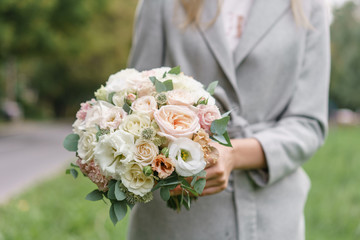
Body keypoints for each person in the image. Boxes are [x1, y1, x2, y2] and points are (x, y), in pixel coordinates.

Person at [127, 0, 330, 239]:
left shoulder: (309, 7)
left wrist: (233, 154)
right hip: (177, 216)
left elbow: (308, 123)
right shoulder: (161, 4)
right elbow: (136, 101)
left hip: (272, 214)